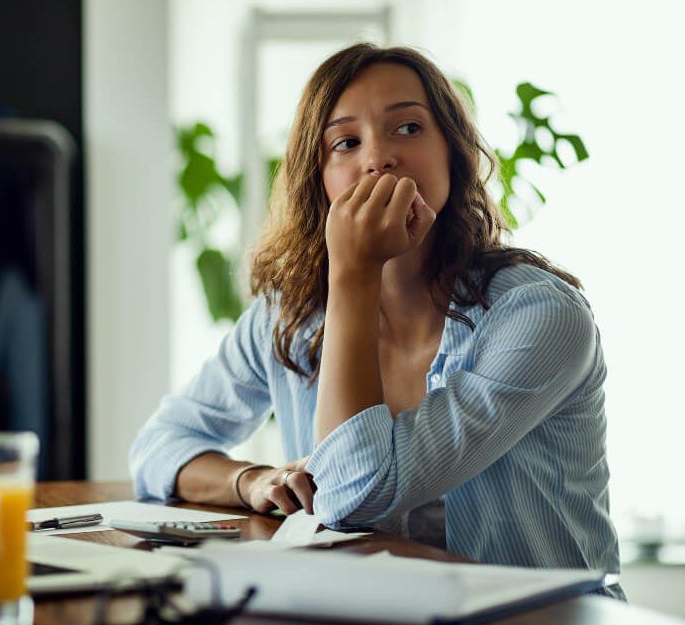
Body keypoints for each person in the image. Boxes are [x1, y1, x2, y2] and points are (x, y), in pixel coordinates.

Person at [130, 43, 622, 598]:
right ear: (318, 180)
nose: (379, 158)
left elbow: (354, 493)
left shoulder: (539, 317)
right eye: (346, 142)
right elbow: (159, 447)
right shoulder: (288, 314)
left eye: (408, 129)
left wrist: (353, 274)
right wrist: (249, 481)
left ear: (453, 155)